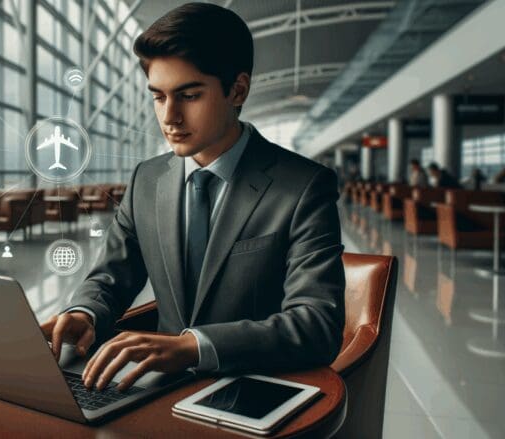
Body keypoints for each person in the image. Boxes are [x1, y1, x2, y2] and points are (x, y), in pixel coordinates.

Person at [41, 3, 345, 392]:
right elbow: (111, 277)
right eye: (158, 97)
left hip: (254, 388)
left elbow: (317, 325)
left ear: (238, 90)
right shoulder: (147, 179)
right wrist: (84, 312)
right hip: (155, 388)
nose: (170, 117)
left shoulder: (303, 187)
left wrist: (194, 347)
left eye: (189, 95)